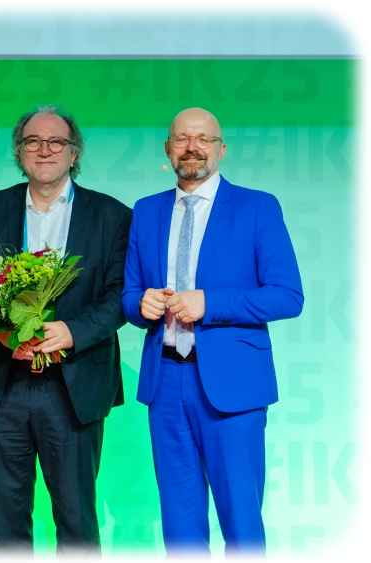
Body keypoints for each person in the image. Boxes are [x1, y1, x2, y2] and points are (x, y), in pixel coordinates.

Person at [0, 106, 131, 553]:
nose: (43, 150)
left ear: (74, 153)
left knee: (76, 520)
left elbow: (121, 295)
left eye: (55, 142)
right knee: (5, 522)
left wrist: (71, 331)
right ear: (19, 151)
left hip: (74, 386)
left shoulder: (112, 215)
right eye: (32, 141)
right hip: (1, 383)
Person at [121, 107, 304, 553]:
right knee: (179, 525)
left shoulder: (258, 207)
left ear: (221, 148)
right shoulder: (146, 211)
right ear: (167, 150)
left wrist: (210, 303)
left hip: (233, 386)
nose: (192, 147)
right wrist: (140, 305)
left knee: (241, 520)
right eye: (182, 138)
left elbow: (287, 296)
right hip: (165, 383)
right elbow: (128, 297)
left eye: (203, 138)